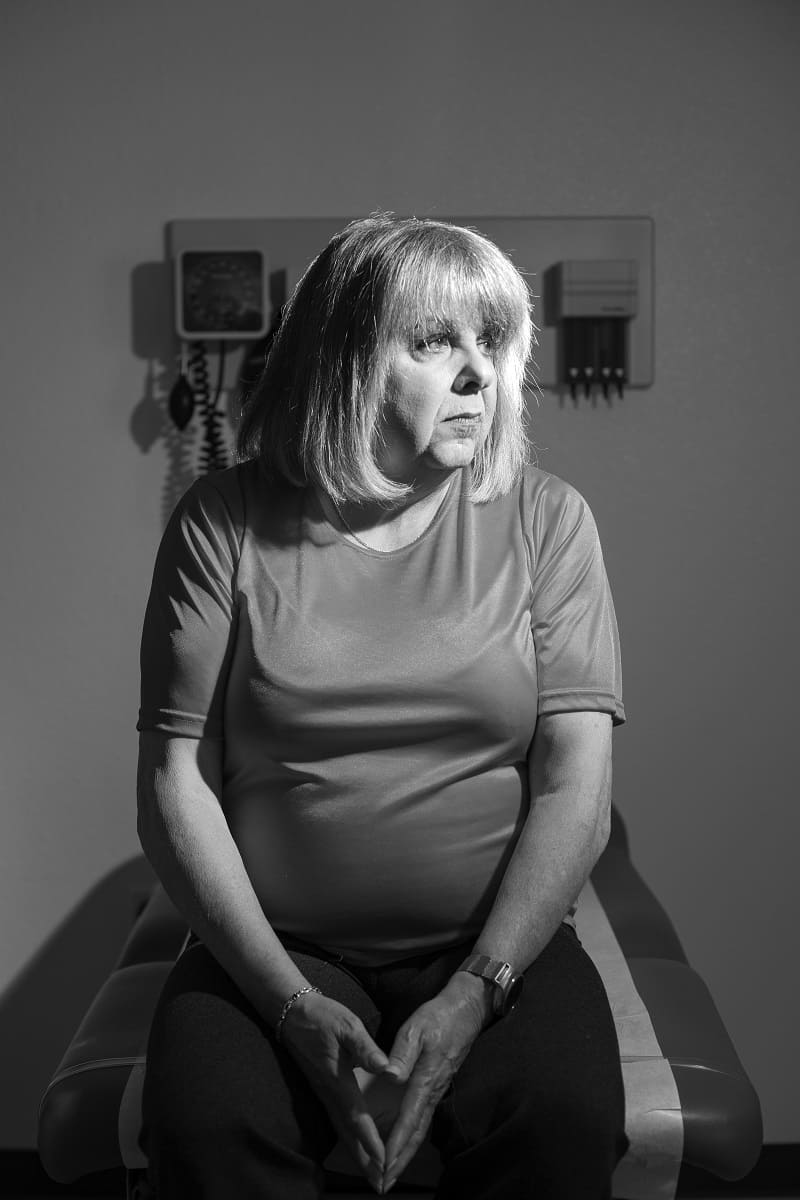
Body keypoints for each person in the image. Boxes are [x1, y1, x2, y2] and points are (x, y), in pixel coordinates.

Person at [136, 213, 629, 1199]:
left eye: (491, 343)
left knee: (561, 1122)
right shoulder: (222, 522)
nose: (476, 375)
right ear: (341, 357)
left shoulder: (546, 520)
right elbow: (173, 780)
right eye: (435, 339)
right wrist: (287, 1005)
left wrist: (473, 991)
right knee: (208, 1130)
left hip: (488, 944)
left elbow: (575, 782)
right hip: (282, 945)